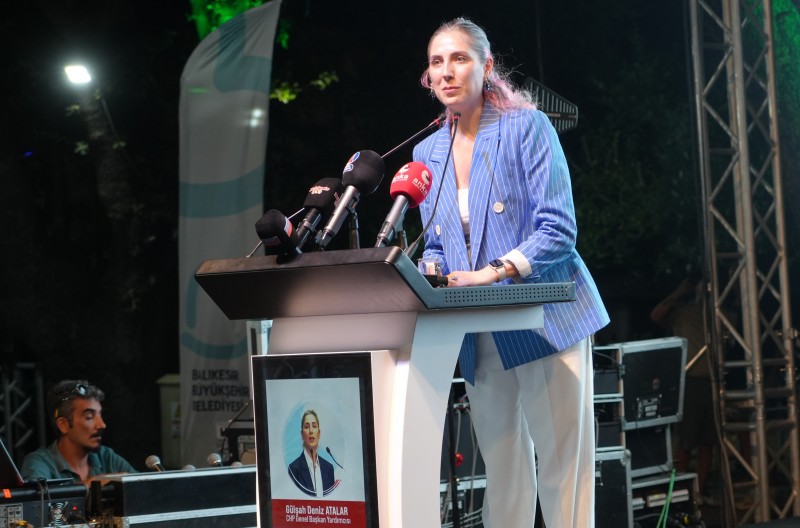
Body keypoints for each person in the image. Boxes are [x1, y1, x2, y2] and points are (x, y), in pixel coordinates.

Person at [413, 17, 609, 528]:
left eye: (459, 59)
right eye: (437, 62)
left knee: (563, 469)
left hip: (543, 316)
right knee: (502, 473)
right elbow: (436, 244)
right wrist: (428, 274)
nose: (446, 72)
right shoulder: (426, 152)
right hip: (477, 330)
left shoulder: (527, 127)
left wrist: (493, 272)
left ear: (487, 67)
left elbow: (558, 229)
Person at [650, 278, 716, 497]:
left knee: (708, 441)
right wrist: (678, 293)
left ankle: (700, 490)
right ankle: (678, 491)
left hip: (713, 381)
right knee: (686, 440)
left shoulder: (716, 313)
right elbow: (656, 316)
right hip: (691, 380)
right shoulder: (682, 312)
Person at [20, 380, 136, 484]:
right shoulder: (40, 462)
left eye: (100, 415)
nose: (102, 425)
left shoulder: (107, 457)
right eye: (89, 417)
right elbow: (39, 498)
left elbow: (142, 490)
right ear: (63, 425)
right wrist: (95, 484)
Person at [287, 409, 337, 497]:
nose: (311, 431)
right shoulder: (293, 469)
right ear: (302, 434)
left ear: (319, 433)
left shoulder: (329, 468)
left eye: (314, 426)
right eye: (306, 427)